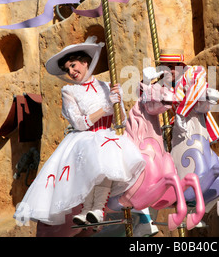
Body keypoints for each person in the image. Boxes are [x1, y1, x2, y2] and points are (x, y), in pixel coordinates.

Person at [14, 36, 146, 228]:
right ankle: (86, 211)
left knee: (106, 163)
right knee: (93, 165)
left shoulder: (106, 86)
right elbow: (79, 123)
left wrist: (118, 101)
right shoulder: (69, 91)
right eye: (67, 69)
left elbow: (120, 120)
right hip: (84, 137)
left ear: (85, 63)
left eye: (74, 65)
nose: (72, 71)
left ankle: (97, 210)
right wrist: (106, 107)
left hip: (107, 134)